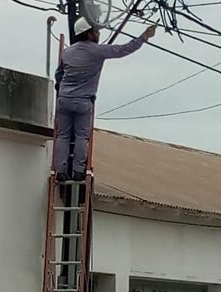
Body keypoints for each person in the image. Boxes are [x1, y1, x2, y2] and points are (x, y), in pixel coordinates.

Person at [54, 17, 158, 181]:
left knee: (63, 136)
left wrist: (61, 88)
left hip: (64, 99)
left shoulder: (67, 52)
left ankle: (60, 171)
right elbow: (123, 49)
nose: (98, 33)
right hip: (83, 101)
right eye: (96, 31)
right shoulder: (97, 51)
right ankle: (78, 171)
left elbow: (59, 74)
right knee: (82, 137)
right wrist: (144, 37)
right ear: (88, 34)